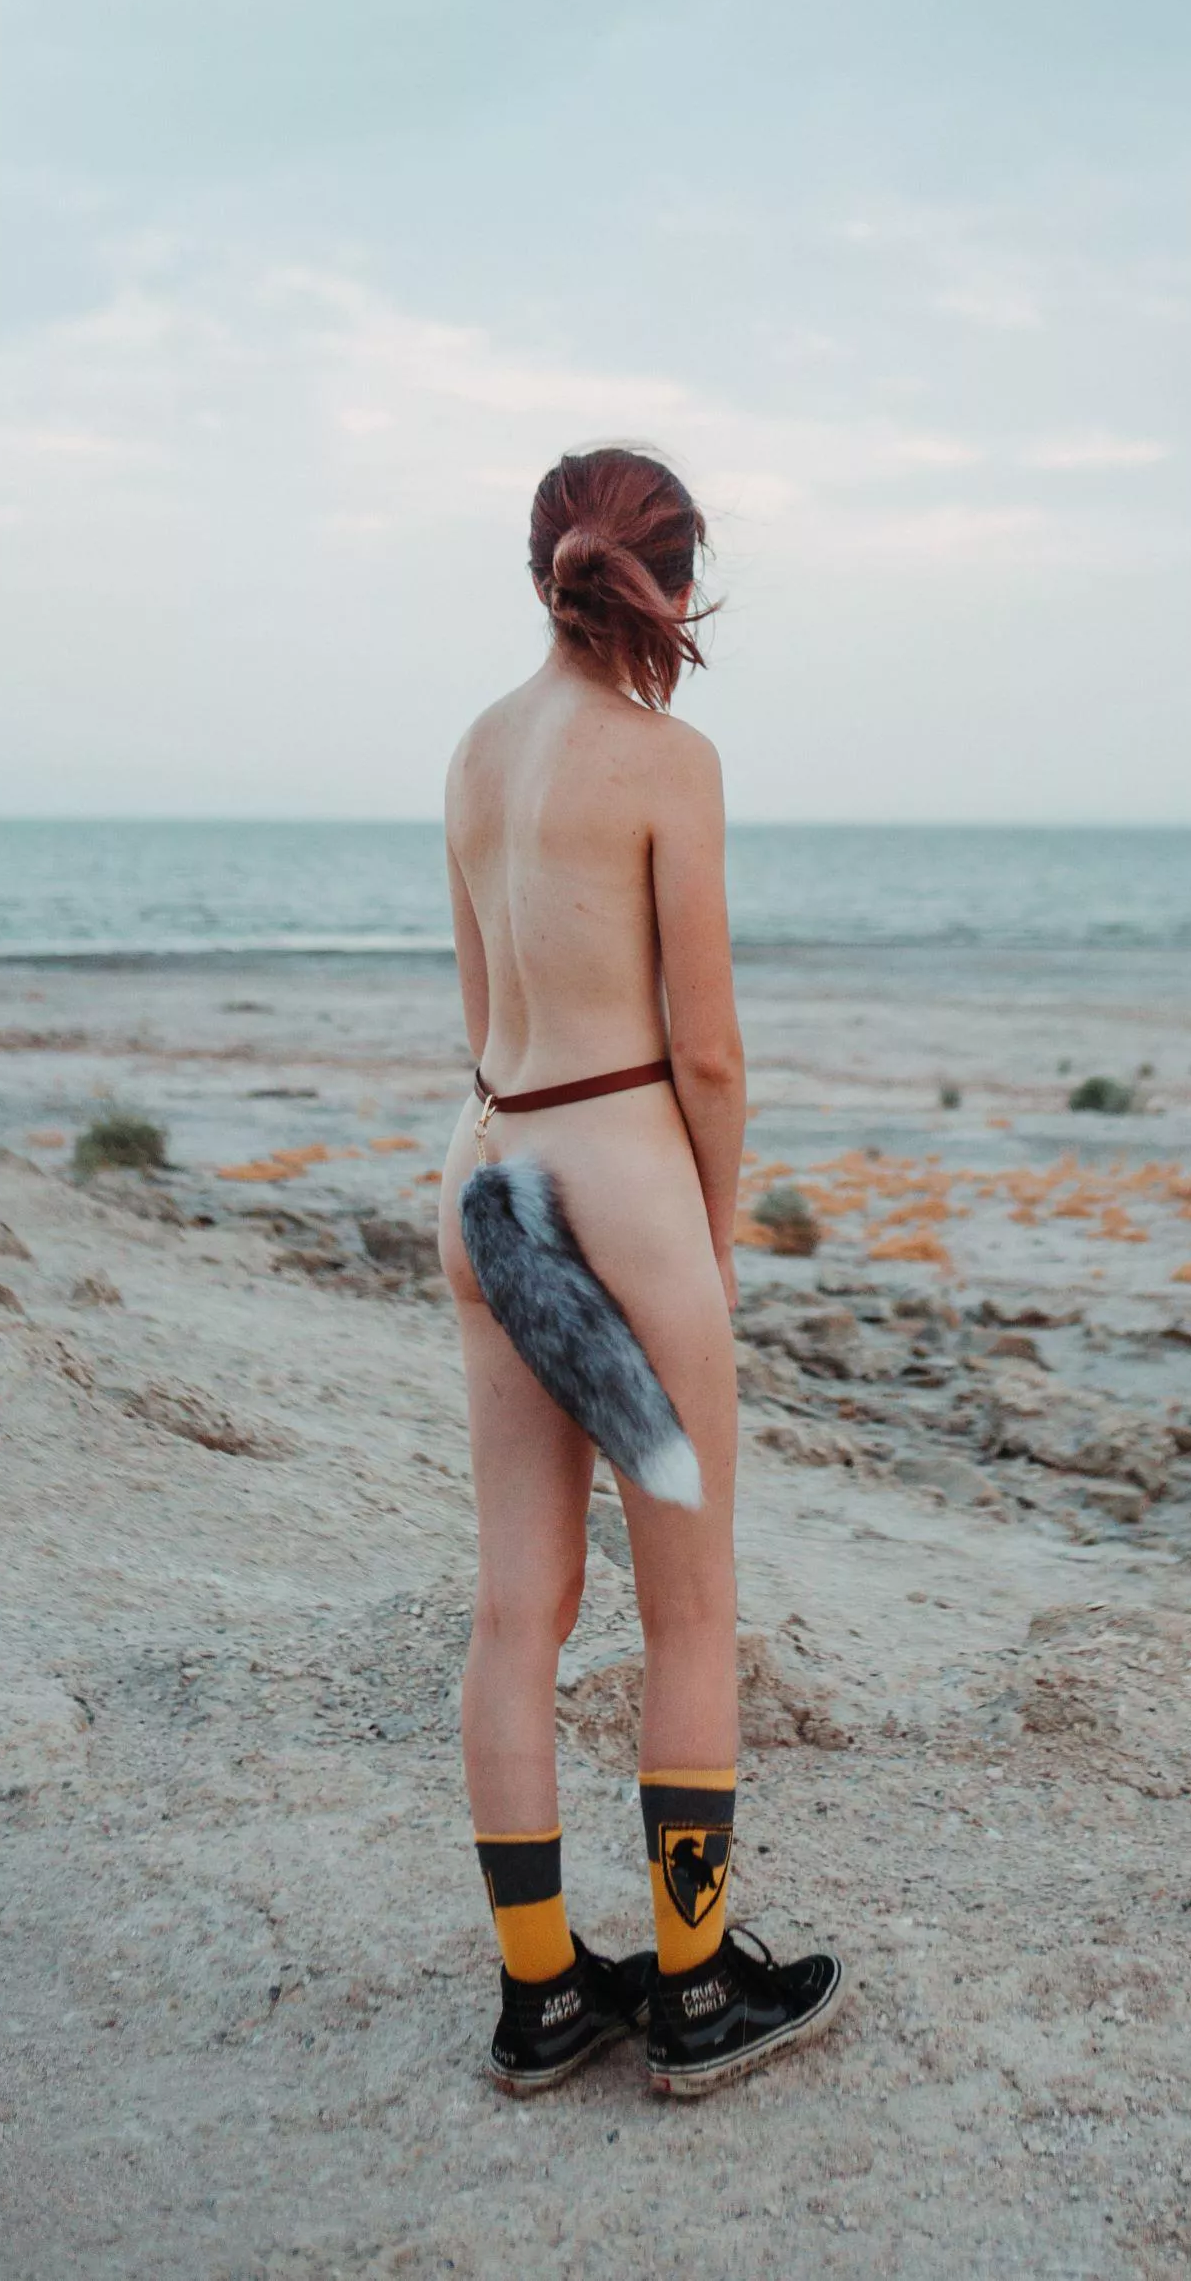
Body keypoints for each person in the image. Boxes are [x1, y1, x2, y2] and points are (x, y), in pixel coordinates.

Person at [435, 446, 842, 2097]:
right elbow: (710, 1051)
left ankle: (541, 1994)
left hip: (489, 1177)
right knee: (691, 1606)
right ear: (666, 581)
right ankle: (689, 1989)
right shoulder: (666, 761)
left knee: (520, 1603)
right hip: (621, 1188)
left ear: (544, 563)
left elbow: (479, 1016)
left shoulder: (472, 753)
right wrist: (712, 1233)